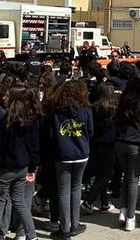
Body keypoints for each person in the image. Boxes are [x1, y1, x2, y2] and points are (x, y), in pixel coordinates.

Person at [0, 85, 40, 240]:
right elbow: (34, 146)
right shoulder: (31, 118)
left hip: (5, 168)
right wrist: (32, 167)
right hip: (22, 167)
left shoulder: (4, 120)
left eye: (7, 96)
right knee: (20, 202)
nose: (4, 97)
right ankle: (32, 235)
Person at [48, 80, 93, 239]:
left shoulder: (56, 111)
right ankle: (75, 224)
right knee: (76, 189)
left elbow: (51, 134)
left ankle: (65, 228)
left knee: (63, 191)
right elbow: (90, 130)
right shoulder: (86, 109)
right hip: (81, 153)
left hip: (63, 153)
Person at [115, 76, 140, 231]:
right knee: (133, 180)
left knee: (126, 177)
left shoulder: (122, 101)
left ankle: (123, 210)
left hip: (120, 141)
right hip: (136, 143)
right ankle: (131, 216)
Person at [80, 82, 118, 214]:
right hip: (109, 145)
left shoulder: (92, 108)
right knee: (106, 175)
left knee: (100, 174)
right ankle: (89, 201)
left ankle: (105, 202)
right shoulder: (114, 108)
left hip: (94, 143)